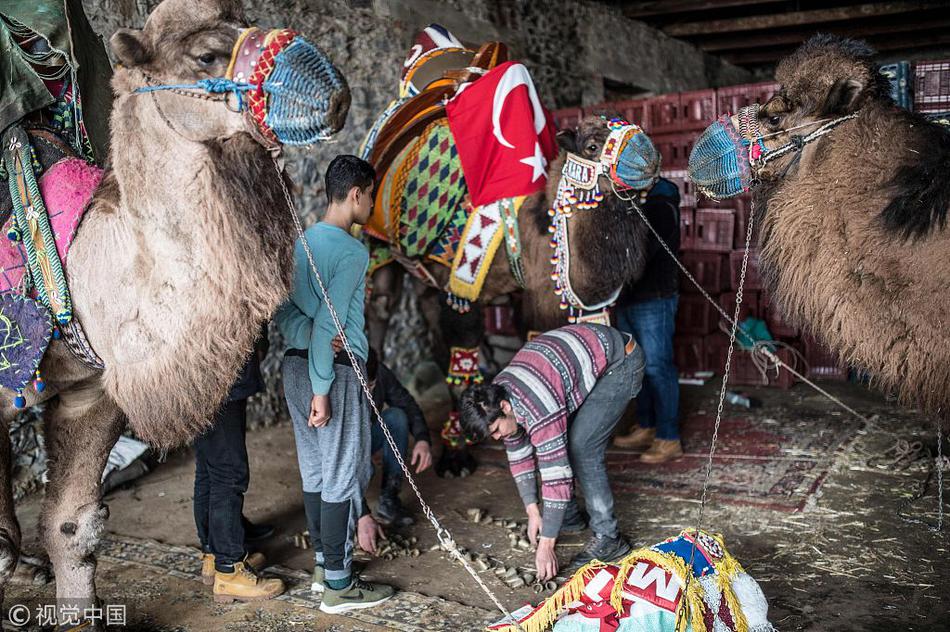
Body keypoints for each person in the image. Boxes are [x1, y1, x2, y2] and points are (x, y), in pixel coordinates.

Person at [276, 155, 394, 614]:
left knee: (316, 470)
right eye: (372, 196)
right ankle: (340, 588)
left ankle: (325, 569)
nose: (371, 206)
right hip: (334, 372)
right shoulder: (351, 251)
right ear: (357, 194)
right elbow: (330, 324)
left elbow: (284, 313)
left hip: (294, 366)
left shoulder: (301, 243)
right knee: (343, 471)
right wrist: (324, 388)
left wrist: (309, 344)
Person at [459, 323, 645, 581]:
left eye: (497, 430)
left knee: (583, 447)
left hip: (620, 361)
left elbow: (556, 471)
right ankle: (567, 516)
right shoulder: (498, 394)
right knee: (560, 441)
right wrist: (533, 512)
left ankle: (609, 538)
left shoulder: (537, 404)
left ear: (504, 406)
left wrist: (546, 545)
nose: (498, 438)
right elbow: (519, 454)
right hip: (585, 362)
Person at [193, 333, 285, 603]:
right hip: (219, 370)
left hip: (198, 371)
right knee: (228, 472)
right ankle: (229, 569)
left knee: (209, 468)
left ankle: (214, 553)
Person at [613, 177, 684, 464]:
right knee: (636, 366)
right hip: (628, 298)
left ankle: (669, 438)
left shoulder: (661, 204)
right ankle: (646, 424)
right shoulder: (632, 201)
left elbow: (638, 255)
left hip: (654, 298)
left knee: (657, 367)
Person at [365, 348, 433, 525]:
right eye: (363, 385)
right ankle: (348, 510)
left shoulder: (379, 372)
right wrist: (362, 515)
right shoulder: (334, 382)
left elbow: (406, 404)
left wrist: (422, 439)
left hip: (365, 438)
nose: (368, 390)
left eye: (371, 385)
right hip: (337, 453)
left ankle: (389, 498)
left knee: (396, 417)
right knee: (366, 470)